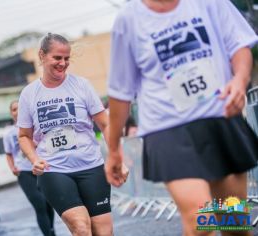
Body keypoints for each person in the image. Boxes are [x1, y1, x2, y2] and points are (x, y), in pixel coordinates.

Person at [106, 0, 258, 236]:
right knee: (201, 220)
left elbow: (239, 46)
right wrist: (114, 148)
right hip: (168, 131)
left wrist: (239, 80)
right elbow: (120, 92)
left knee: (234, 224)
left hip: (219, 120)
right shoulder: (128, 20)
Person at [18, 33, 128, 236]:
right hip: (53, 169)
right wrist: (34, 159)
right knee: (80, 226)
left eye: (66, 58)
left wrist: (117, 156)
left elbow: (105, 124)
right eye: (57, 58)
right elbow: (24, 135)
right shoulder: (29, 94)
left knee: (103, 231)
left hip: (91, 165)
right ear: (42, 56)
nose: (63, 63)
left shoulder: (81, 85)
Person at [4, 100, 55, 236]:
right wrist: (12, 167)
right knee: (40, 205)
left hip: (41, 169)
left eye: (20, 108)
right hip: (24, 172)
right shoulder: (9, 134)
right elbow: (9, 154)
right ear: (11, 114)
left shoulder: (36, 126)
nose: (17, 111)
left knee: (48, 203)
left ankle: (51, 230)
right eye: (14, 109)